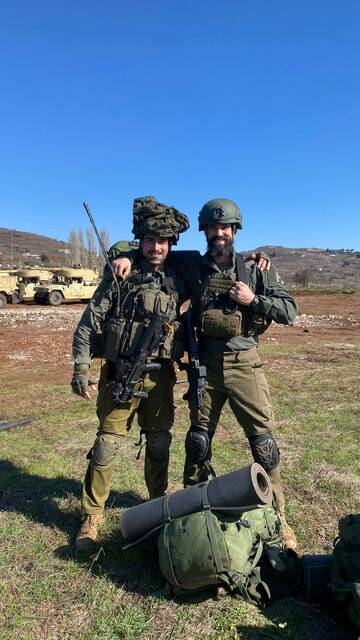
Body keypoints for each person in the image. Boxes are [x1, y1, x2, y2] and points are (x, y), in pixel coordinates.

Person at [111, 198, 298, 550]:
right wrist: (122, 253)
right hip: (207, 365)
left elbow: (290, 310)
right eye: (212, 228)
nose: (218, 234)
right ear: (205, 231)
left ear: (234, 230)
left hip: (245, 363)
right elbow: (152, 251)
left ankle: (281, 519)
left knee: (264, 446)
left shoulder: (257, 268)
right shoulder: (193, 267)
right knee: (197, 444)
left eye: (224, 227)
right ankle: (192, 516)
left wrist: (253, 300)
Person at [71, 196, 191, 551]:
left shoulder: (177, 276)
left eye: (163, 241)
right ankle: (92, 515)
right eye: (150, 240)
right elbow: (87, 324)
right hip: (121, 373)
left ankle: (157, 506)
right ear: (140, 240)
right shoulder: (120, 274)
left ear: (170, 244)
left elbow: (218, 262)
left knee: (159, 443)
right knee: (106, 445)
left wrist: (257, 261)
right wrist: (81, 368)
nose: (157, 247)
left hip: (160, 378)